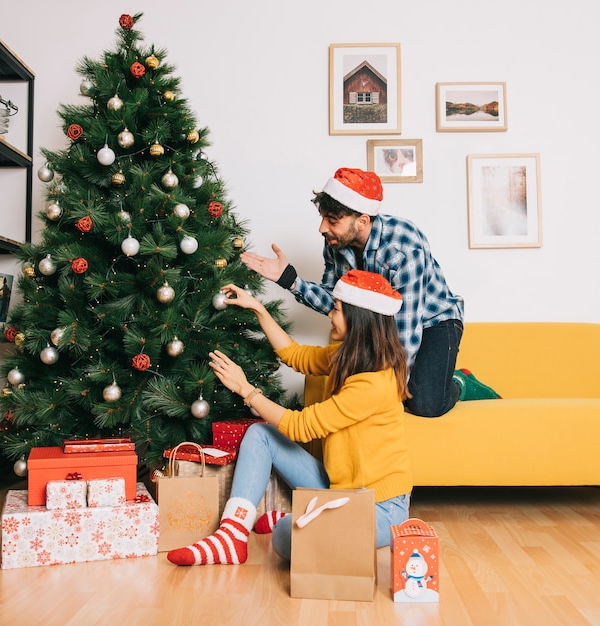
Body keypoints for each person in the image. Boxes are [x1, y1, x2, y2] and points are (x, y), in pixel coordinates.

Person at [167, 269, 413, 566]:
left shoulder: (374, 382)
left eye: (336, 310)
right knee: (260, 435)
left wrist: (246, 389)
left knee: (286, 534)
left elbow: (301, 426)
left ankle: (297, 516)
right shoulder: (347, 357)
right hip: (337, 488)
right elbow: (296, 355)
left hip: (379, 507)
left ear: (359, 320)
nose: (331, 316)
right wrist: (258, 308)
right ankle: (232, 536)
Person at [240, 167, 499, 417]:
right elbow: (336, 302)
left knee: (424, 404)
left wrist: (388, 390)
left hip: (433, 320)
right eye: (322, 218)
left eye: (332, 221)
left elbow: (406, 331)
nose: (321, 228)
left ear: (362, 221)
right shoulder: (335, 243)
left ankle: (460, 382)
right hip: (382, 325)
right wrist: (290, 280)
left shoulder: (403, 246)